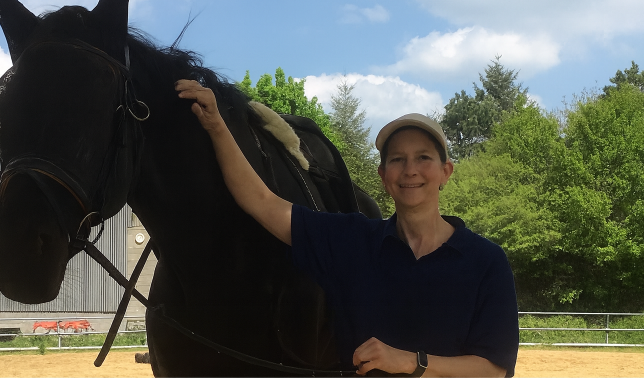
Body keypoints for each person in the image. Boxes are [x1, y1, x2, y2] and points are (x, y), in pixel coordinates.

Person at [175, 79, 519, 377]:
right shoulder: (351, 242)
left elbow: (494, 370)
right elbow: (261, 201)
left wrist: (410, 362)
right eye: (397, 159)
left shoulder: (486, 262)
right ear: (383, 176)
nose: (410, 170)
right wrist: (217, 127)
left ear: (446, 172)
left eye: (423, 157)